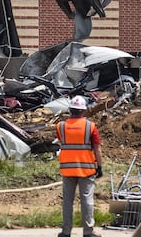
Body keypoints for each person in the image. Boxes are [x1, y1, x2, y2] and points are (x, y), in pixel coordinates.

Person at [56, 95, 103, 237]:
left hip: (67, 169)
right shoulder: (91, 127)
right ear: (84, 111)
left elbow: (61, 141)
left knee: (67, 202)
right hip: (86, 169)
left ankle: (65, 231)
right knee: (87, 200)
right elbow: (97, 148)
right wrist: (99, 166)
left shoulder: (61, 126)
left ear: (70, 110)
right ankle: (88, 232)